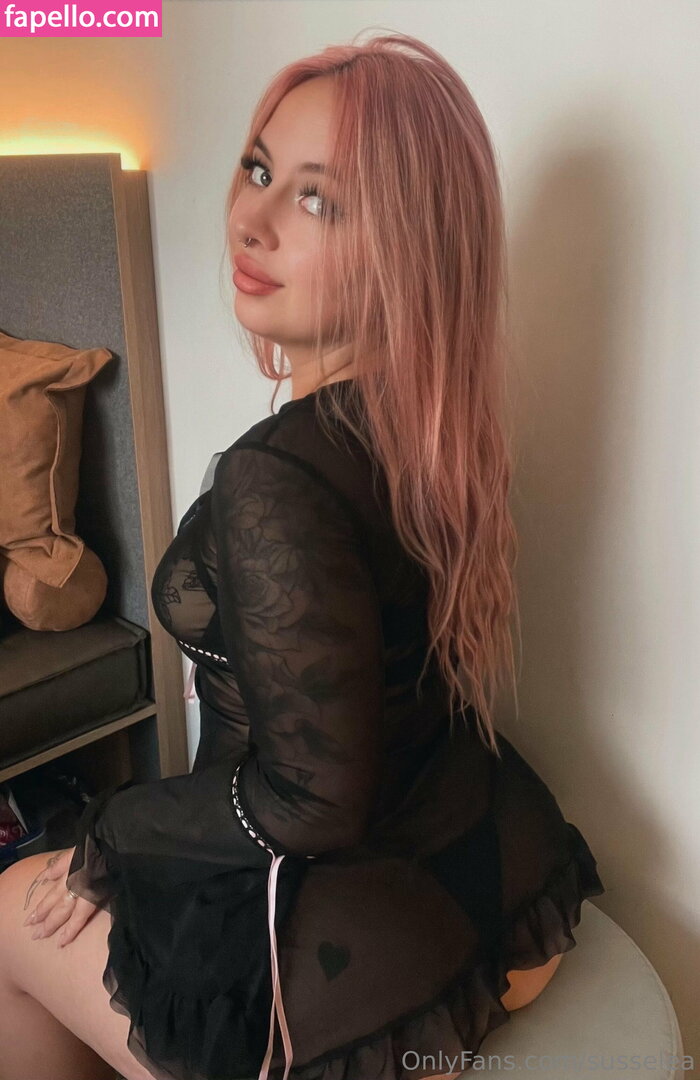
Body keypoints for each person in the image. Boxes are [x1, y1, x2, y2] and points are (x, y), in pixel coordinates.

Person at [0, 30, 604, 1080]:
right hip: (495, 867)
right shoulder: (436, 426)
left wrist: (108, 834)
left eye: (317, 199)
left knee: (7, 915)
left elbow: (311, 800)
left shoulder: (274, 478)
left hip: (366, 948)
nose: (253, 217)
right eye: (259, 169)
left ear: (406, 249)